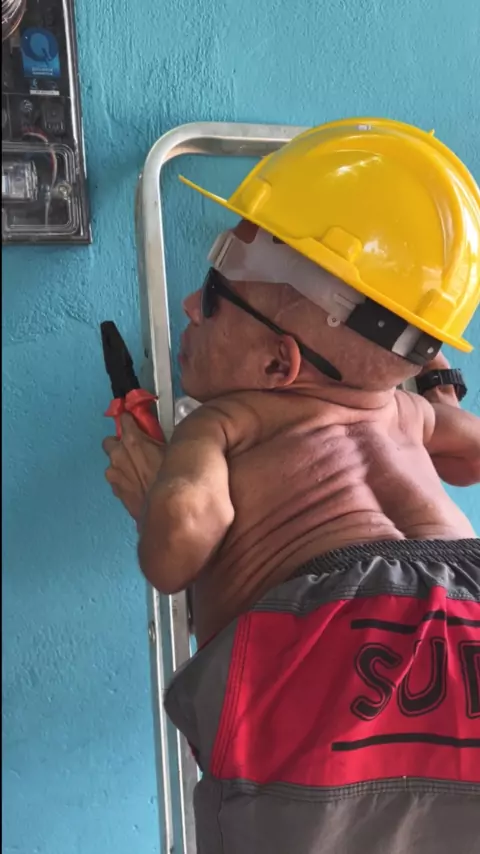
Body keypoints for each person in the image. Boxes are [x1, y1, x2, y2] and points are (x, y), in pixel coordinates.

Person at [103, 119, 480, 854]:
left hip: (323, 647)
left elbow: (178, 546)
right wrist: (437, 398)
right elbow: (469, 457)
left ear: (280, 366)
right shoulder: (406, 415)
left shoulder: (226, 422)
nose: (189, 306)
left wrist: (151, 493)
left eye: (212, 294)